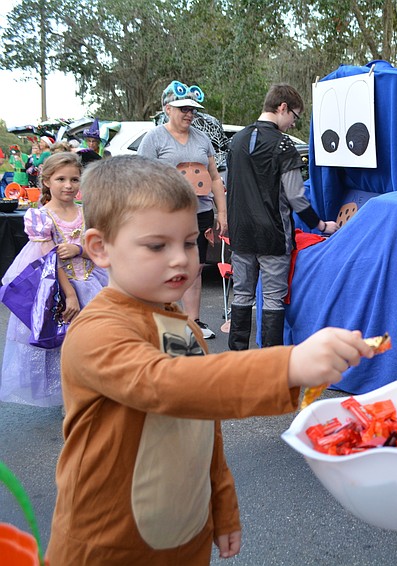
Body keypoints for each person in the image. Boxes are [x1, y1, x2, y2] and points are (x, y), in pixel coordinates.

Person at [46, 155, 374, 564]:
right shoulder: (97, 331)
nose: (181, 258)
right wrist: (287, 366)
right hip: (106, 544)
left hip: (185, 534)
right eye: (156, 245)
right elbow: (167, 384)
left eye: (187, 242)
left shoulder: (180, 323)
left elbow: (202, 425)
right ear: (99, 247)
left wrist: (221, 508)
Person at [226, 83, 338, 351]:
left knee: (241, 294)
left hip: (241, 235)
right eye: (294, 118)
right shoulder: (283, 145)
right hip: (273, 236)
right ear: (283, 108)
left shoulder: (237, 140)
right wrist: (321, 225)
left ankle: (235, 360)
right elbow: (296, 197)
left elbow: (231, 187)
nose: (292, 125)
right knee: (274, 298)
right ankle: (271, 365)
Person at [0, 152, 107, 407]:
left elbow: (101, 247)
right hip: (58, 288)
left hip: (93, 281)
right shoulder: (40, 217)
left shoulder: (87, 213)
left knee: (93, 341)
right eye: (61, 179)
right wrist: (69, 294)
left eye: (74, 179)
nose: (68, 185)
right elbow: (48, 259)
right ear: (47, 181)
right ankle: (73, 399)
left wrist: (79, 249)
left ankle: (95, 391)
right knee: (64, 345)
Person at [138, 80, 228, 339]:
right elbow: (141, 177)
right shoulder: (154, 138)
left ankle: (194, 322)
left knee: (195, 267)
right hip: (166, 215)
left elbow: (215, 177)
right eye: (183, 109)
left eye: (192, 110)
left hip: (199, 213)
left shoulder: (202, 139)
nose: (189, 114)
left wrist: (221, 213)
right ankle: (162, 322)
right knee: (166, 267)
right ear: (167, 108)